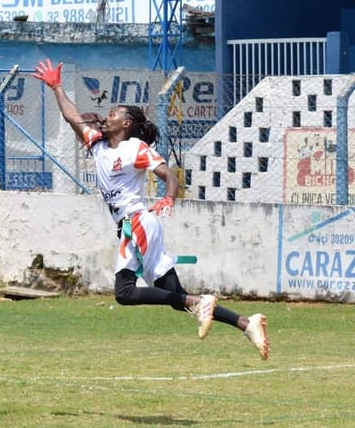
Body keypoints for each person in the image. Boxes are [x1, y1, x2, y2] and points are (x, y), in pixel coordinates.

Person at [33, 59, 270, 361]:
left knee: (124, 292)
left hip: (138, 224)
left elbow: (169, 175)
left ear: (126, 123)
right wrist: (56, 87)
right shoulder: (99, 146)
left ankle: (200, 302)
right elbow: (72, 117)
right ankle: (246, 323)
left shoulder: (135, 148)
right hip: (134, 226)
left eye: (113, 115)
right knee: (174, 295)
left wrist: (169, 197)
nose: (106, 118)